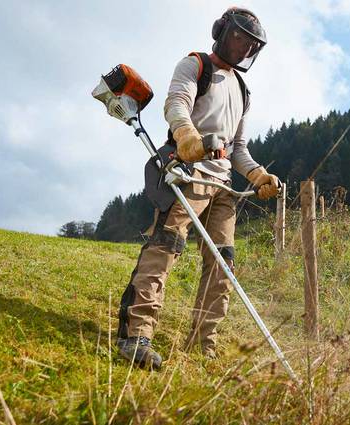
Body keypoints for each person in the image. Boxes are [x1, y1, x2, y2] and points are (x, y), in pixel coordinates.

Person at [116, 7, 280, 369]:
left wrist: (258, 177)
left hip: (222, 186)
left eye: (252, 44)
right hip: (188, 172)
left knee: (223, 263)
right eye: (240, 37)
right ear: (221, 31)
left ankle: (202, 343)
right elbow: (176, 105)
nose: (244, 48)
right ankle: (136, 336)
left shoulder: (243, 91)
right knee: (165, 247)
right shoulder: (196, 66)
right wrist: (186, 136)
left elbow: (239, 150)